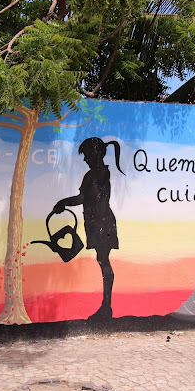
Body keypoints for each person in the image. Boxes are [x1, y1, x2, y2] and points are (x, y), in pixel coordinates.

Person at [52, 137, 125, 321]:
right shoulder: (99, 174)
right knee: (103, 261)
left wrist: (63, 202)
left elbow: (84, 198)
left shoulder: (96, 175)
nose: (84, 159)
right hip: (99, 223)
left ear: (94, 154)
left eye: (86, 155)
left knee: (103, 261)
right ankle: (106, 306)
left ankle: (106, 307)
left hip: (101, 224)